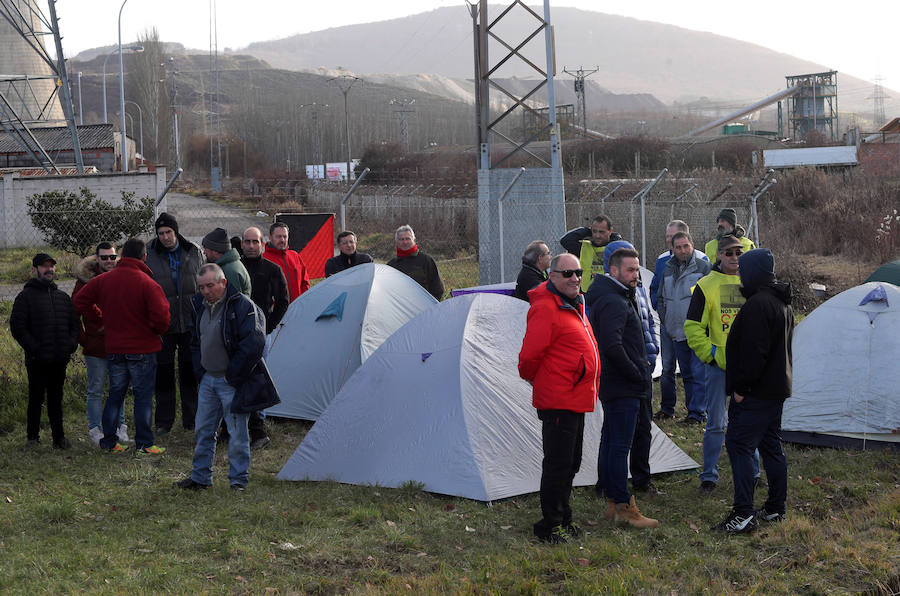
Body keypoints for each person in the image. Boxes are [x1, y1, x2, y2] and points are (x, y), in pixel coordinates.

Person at [518, 253, 600, 544]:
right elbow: (528, 357)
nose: (575, 278)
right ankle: (549, 525)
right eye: (567, 274)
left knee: (572, 462)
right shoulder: (547, 308)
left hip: (575, 397)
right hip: (558, 398)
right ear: (551, 276)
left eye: (578, 272)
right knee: (558, 463)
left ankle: (563, 518)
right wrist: (539, 379)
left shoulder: (575, 304)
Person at [712, 248, 794, 533]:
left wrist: (741, 389)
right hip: (775, 389)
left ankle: (743, 513)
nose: (740, 277)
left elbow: (754, 353)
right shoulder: (781, 302)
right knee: (771, 445)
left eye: (744, 272)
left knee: (739, 444)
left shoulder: (759, 304)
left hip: (756, 392)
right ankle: (775, 508)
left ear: (755, 273)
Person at [174, 264, 267, 491]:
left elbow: (254, 344)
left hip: (230, 382)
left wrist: (232, 376)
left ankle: (238, 481)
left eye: (210, 286)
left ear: (223, 282)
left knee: (237, 433)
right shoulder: (199, 306)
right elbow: (195, 340)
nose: (205, 291)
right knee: (203, 430)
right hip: (208, 380)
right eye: (202, 287)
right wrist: (201, 370)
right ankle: (200, 477)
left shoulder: (243, 307)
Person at [73, 238, 170, 455]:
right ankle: (144, 444)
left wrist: (102, 319)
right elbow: (163, 319)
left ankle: (109, 441)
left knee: (115, 394)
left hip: (115, 348)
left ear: (122, 257)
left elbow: (79, 302)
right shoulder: (148, 283)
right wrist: (152, 331)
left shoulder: (104, 280)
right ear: (144, 257)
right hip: (143, 349)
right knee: (143, 397)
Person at [587, 247, 659, 529]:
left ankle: (611, 502)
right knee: (620, 446)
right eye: (630, 270)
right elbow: (612, 345)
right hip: (623, 384)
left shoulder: (612, 295)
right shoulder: (614, 301)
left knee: (610, 439)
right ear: (614, 271)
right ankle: (624, 506)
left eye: (637, 269)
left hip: (615, 383)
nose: (635, 275)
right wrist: (636, 374)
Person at [685, 233, 760, 493]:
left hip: (749, 368)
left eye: (739, 253)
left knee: (750, 422)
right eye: (729, 253)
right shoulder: (706, 285)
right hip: (718, 368)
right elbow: (693, 327)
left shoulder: (753, 283)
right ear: (718, 255)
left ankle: (754, 471)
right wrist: (711, 354)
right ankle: (709, 475)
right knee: (716, 422)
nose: (734, 258)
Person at [10, 253, 80, 449]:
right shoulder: (25, 297)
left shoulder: (62, 297)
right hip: (37, 360)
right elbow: (18, 327)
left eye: (51, 266)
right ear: (34, 270)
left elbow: (74, 325)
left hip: (59, 358)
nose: (49, 269)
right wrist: (35, 349)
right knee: (35, 398)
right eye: (44, 266)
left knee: (56, 399)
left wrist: (70, 345)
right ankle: (32, 438)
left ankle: (59, 438)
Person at [145, 212, 204, 435]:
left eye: (169, 232)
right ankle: (164, 420)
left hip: (190, 321)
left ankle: (192, 418)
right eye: (161, 233)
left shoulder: (193, 251)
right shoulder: (149, 254)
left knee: (190, 371)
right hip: (163, 324)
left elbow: (201, 284)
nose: (165, 237)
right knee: (164, 372)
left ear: (176, 231)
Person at [649, 220, 708, 421]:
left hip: (698, 329)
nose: (682, 250)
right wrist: (665, 318)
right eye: (678, 247)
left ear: (691, 245)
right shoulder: (665, 267)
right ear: (672, 248)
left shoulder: (703, 266)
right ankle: (689, 410)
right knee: (686, 373)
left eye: (686, 246)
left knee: (698, 372)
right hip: (675, 329)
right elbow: (659, 295)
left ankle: (697, 412)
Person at [72, 242, 128, 445]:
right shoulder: (84, 281)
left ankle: (121, 427)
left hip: (119, 344)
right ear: (97, 259)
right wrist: (84, 338)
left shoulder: (122, 276)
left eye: (112, 257)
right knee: (95, 388)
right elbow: (74, 312)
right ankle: (95, 429)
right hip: (96, 346)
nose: (108, 261)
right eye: (104, 257)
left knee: (119, 387)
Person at [239, 226, 289, 450]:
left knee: (259, 378)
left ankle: (259, 424)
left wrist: (268, 327)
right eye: (247, 242)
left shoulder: (272, 269)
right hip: (237, 334)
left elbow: (283, 300)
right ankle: (237, 425)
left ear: (262, 243)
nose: (251, 246)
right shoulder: (235, 268)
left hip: (261, 335)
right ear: (241, 244)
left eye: (255, 242)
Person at [559, 215, 623, 292]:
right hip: (586, 292)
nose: (597, 236)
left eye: (601, 232)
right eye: (594, 231)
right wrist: (587, 231)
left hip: (608, 292)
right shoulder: (583, 247)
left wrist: (614, 237)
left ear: (610, 231)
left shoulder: (616, 248)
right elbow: (565, 240)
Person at [386, 224, 445, 300]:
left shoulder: (426, 260)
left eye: (408, 239)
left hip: (424, 307)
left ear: (414, 240)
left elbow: (438, 288)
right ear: (396, 242)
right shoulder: (391, 265)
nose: (405, 242)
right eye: (401, 239)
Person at [263, 222, 310, 302]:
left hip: (297, 308)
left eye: (285, 236)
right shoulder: (264, 259)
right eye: (278, 236)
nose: (282, 240)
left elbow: (305, 282)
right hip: (275, 312)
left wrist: (302, 300)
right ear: (270, 237)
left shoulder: (295, 256)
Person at [202, 227, 251, 296]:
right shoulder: (228, 265)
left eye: (206, 249)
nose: (204, 252)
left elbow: (234, 302)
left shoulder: (229, 271)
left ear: (215, 251)